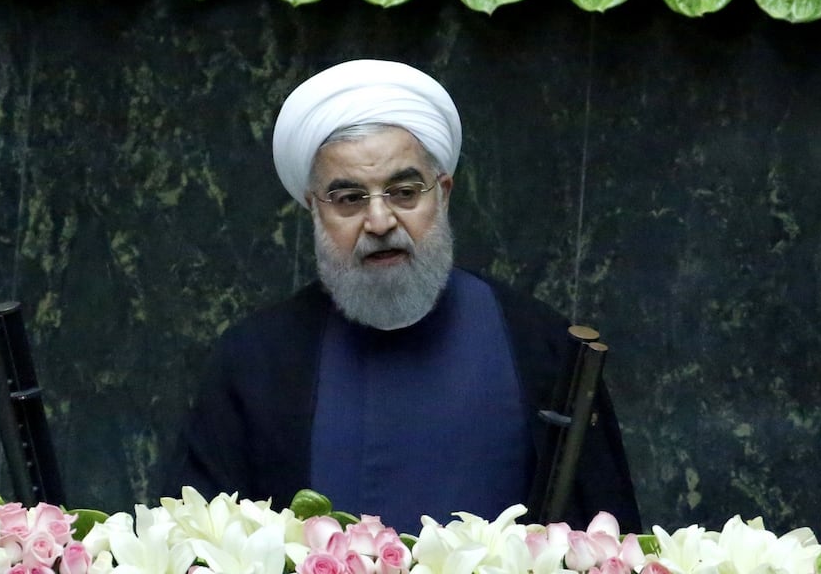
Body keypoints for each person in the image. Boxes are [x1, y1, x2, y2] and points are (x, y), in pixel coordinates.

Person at [165, 59, 641, 535]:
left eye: (404, 191)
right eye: (349, 198)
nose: (380, 222)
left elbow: (607, 547)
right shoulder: (255, 360)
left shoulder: (545, 348)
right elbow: (200, 543)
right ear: (315, 210)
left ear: (444, 193)